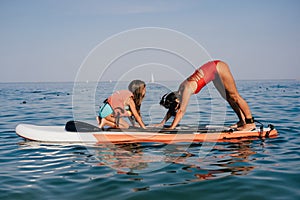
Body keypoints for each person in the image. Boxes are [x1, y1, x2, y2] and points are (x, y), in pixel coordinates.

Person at [158, 60, 256, 131]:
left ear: (176, 101)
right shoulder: (179, 91)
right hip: (213, 72)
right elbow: (174, 109)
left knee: (234, 96)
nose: (174, 109)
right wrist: (162, 123)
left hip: (218, 68)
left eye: (174, 107)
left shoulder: (186, 90)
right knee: (228, 98)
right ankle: (242, 121)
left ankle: (250, 123)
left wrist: (171, 128)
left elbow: (181, 111)